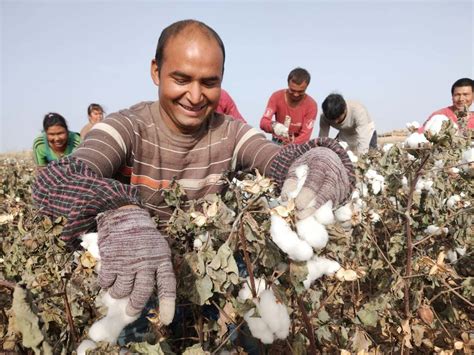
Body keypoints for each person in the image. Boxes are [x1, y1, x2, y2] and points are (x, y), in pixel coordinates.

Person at [32, 20, 354, 327]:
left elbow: (276, 159)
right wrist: (121, 213)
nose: (196, 96)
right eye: (182, 79)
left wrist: (321, 158)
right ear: (156, 72)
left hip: (210, 284)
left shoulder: (231, 134)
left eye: (209, 83)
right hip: (142, 283)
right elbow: (60, 180)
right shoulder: (126, 128)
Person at [259, 67, 318, 145]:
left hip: (298, 146)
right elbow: (263, 122)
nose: (296, 94)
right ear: (288, 84)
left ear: (307, 87)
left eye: (300, 91)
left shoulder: (311, 105)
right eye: (292, 90)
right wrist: (275, 127)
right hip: (277, 143)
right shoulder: (276, 97)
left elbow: (305, 135)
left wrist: (292, 143)